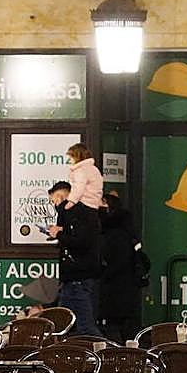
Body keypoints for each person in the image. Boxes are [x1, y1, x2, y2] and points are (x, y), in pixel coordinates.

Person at [46, 180, 103, 337]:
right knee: (61, 326)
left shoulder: (77, 214)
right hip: (73, 278)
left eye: (55, 200)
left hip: (78, 278)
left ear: (62, 196)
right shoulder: (80, 214)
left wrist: (59, 234)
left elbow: (81, 242)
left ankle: (105, 356)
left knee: (85, 327)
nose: (55, 205)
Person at [98, 193, 142, 344]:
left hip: (116, 288)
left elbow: (118, 261)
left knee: (115, 327)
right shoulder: (126, 230)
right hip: (125, 288)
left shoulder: (114, 234)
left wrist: (103, 275)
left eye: (102, 204)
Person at [63, 143, 103, 212]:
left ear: (77, 157)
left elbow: (78, 188)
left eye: (71, 157)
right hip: (94, 205)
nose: (69, 160)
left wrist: (71, 201)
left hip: (83, 204)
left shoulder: (80, 171)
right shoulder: (94, 169)